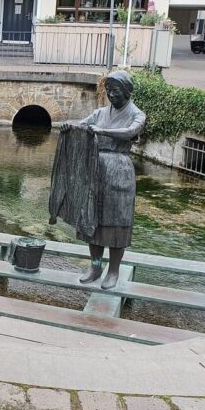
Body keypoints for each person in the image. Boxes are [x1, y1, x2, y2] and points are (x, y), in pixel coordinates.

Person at [60, 70, 145, 289]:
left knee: (118, 221)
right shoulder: (100, 113)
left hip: (119, 170)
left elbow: (130, 132)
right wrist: (69, 125)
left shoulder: (137, 114)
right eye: (109, 90)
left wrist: (103, 132)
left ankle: (113, 271)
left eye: (116, 90)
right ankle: (95, 266)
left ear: (127, 91)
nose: (112, 95)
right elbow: (83, 124)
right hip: (96, 170)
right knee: (93, 220)